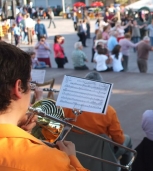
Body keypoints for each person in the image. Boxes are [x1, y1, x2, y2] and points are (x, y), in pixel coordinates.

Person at [0, 41, 89, 171]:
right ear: (18, 88)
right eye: (30, 82)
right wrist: (72, 160)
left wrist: (18, 133)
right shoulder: (50, 160)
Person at [64, 71, 132, 171]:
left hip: (75, 149)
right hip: (101, 153)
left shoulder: (69, 107)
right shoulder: (108, 111)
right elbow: (119, 140)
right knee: (127, 140)